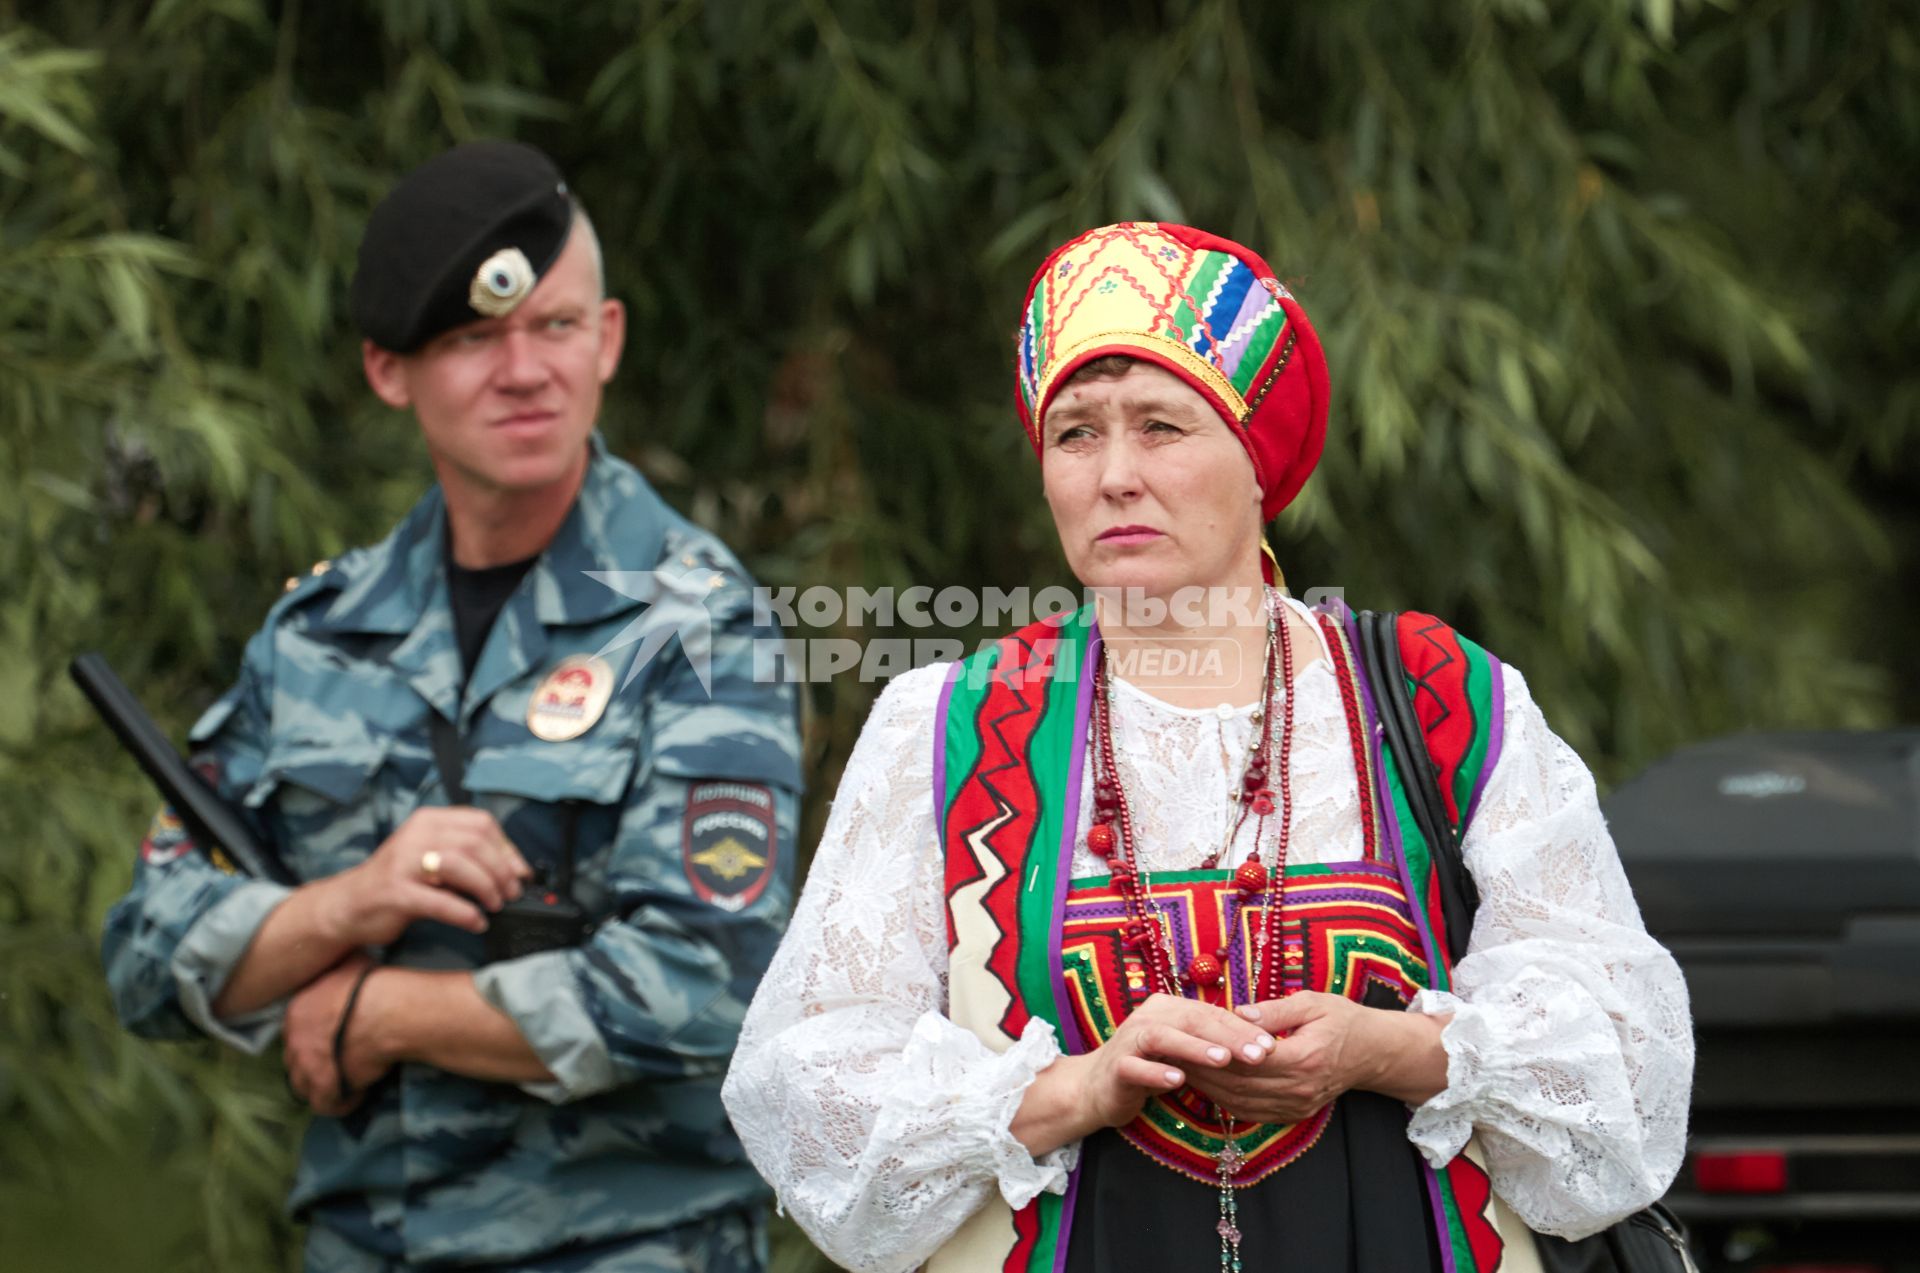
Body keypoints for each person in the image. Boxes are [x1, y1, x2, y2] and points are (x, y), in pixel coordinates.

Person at [721, 222, 1692, 1272]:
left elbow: (1625, 1069)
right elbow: (807, 1087)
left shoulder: (1438, 698)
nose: (1116, 475)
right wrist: (1081, 1088)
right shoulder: (948, 727)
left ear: (1258, 460)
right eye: (1077, 433)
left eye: (1163, 426)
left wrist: (1392, 1050)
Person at [102, 141, 803, 1272]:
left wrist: (370, 1015)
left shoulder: (694, 621)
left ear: (609, 339)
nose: (525, 370)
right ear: (390, 371)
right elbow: (146, 952)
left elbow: (706, 983)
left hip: (628, 1245)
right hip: (362, 1244)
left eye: (557, 327)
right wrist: (350, 903)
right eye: (475, 339)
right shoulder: (318, 636)